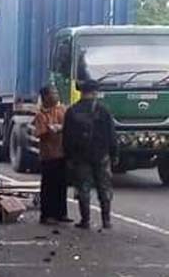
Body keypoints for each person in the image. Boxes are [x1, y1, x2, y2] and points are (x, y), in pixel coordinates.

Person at [63, 79, 117, 230]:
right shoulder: (103, 110)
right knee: (104, 188)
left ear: (81, 92)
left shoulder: (72, 111)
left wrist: (69, 157)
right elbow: (111, 134)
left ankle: (85, 220)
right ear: (95, 92)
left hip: (80, 157)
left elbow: (67, 137)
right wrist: (114, 153)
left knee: (83, 189)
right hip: (101, 155)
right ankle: (106, 220)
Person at [33, 85, 71, 225]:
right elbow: (39, 132)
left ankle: (61, 213)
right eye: (53, 93)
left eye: (56, 92)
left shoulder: (62, 110)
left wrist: (59, 128)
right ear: (46, 97)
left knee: (61, 185)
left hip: (62, 153)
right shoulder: (40, 115)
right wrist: (51, 130)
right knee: (49, 187)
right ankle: (47, 215)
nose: (56, 95)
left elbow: (68, 125)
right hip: (48, 155)